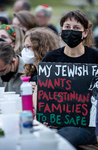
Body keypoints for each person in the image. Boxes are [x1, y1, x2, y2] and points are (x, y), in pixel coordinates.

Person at [40, 10, 98, 148]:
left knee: (64, 137)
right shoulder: (51, 58)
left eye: (77, 28)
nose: (71, 31)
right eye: (67, 27)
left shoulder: (95, 58)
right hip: (55, 121)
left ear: (85, 33)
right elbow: (40, 89)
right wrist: (44, 114)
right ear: (61, 30)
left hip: (88, 126)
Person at [21, 27, 60, 111]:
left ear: (40, 48)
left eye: (28, 47)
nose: (25, 51)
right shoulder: (32, 70)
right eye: (24, 47)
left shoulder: (53, 72)